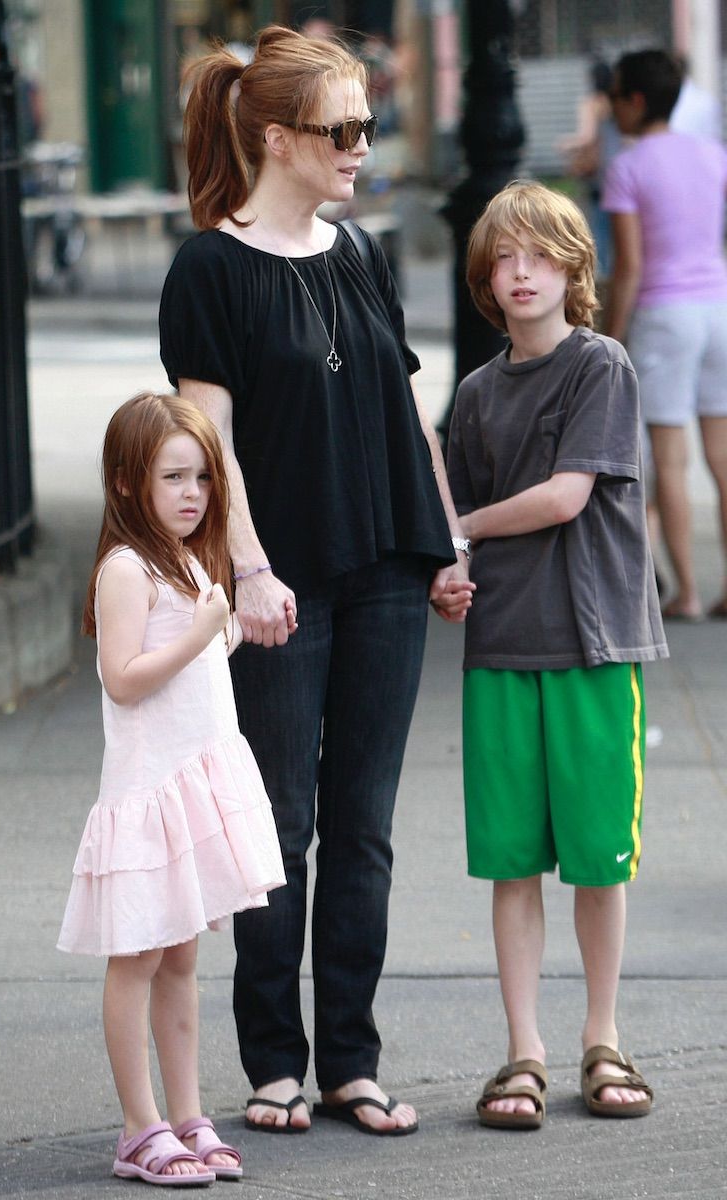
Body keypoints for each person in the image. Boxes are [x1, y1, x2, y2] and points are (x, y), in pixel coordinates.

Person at [159, 24, 474, 1136]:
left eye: (367, 125)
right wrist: (246, 570)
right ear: (278, 139)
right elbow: (210, 444)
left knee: (364, 825)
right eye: (341, 130)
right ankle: (274, 1062)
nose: (361, 147)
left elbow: (405, 409)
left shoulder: (364, 253)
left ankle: (350, 1059)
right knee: (277, 823)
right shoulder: (209, 269)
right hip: (280, 585)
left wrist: (447, 538)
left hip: (387, 568)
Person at [446, 181, 668, 1130]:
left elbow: (565, 496)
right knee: (512, 864)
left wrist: (462, 531)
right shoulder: (474, 394)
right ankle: (523, 1051)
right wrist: (449, 566)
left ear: (575, 268)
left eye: (540, 254)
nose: (521, 271)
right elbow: (455, 528)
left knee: (597, 861)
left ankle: (602, 1038)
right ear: (486, 279)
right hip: (502, 643)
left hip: (592, 642)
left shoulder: (601, 365)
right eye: (504, 257)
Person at [57, 392, 286, 1184]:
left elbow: (194, 668)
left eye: (203, 478)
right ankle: (138, 1127)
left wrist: (225, 629)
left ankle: (187, 1116)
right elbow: (123, 679)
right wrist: (200, 633)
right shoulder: (126, 569)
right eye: (173, 478)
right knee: (138, 961)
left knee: (182, 961)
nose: (193, 494)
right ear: (128, 482)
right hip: (149, 799)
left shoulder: (186, 559)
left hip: (191, 790)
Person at [603, 49, 727, 620]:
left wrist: (610, 336)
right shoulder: (714, 155)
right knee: (721, 459)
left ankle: (688, 594)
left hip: (664, 316)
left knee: (671, 463)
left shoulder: (628, 167)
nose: (610, 107)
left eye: (614, 96)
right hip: (718, 309)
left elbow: (629, 267)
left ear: (636, 100)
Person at [557, 60, 623, 277]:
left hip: (600, 173)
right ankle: (616, 269)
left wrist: (565, 145)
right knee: (618, 227)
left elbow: (587, 136)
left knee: (599, 226)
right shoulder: (617, 103)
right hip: (620, 168)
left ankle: (602, 274)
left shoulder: (591, 103)